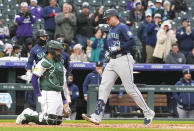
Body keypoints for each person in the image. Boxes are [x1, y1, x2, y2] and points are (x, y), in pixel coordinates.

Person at [82, 9, 155, 126]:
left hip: (123, 59)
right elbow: (111, 46)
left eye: (108, 18)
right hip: (112, 61)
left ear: (115, 17)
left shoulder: (122, 27)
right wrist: (109, 53)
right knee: (103, 87)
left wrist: (119, 48)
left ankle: (148, 112)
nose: (107, 21)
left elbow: (132, 41)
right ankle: (97, 116)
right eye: (106, 19)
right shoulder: (110, 30)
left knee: (130, 88)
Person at [16, 40, 71, 125]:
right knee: (48, 119)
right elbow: (34, 78)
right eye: (57, 50)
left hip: (58, 93)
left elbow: (61, 83)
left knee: (57, 121)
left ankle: (27, 117)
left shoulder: (59, 63)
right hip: (48, 93)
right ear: (51, 50)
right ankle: (27, 114)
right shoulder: (44, 62)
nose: (59, 52)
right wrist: (39, 94)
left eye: (59, 50)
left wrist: (64, 101)